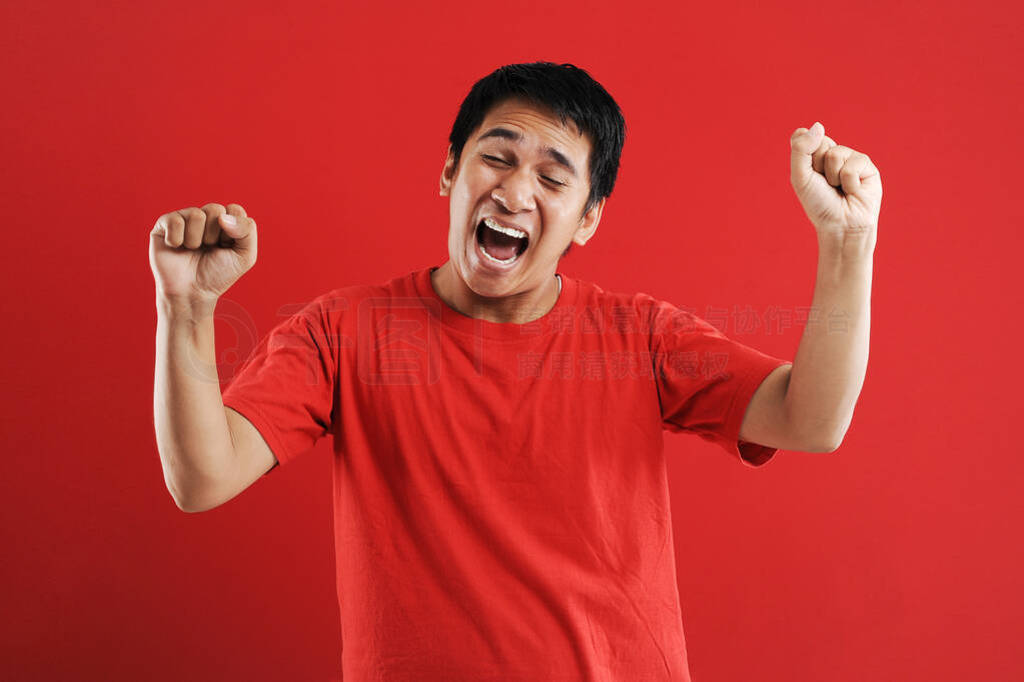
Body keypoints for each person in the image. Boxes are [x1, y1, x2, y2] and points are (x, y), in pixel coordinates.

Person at [150, 62, 879, 681]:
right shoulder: (345, 332)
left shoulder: (641, 337)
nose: (514, 191)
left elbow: (810, 419)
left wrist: (848, 244)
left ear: (588, 218)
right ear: (449, 171)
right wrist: (186, 307)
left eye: (553, 177)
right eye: (496, 158)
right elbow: (202, 477)